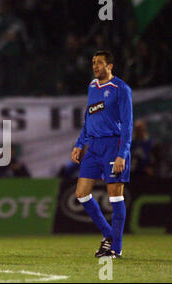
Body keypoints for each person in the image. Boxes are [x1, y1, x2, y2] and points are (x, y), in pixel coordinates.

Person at [71, 50, 133, 259]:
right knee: (81, 193)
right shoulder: (92, 86)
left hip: (113, 146)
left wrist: (122, 154)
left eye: (99, 63)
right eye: (93, 62)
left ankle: (116, 248)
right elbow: (89, 117)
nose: (95, 66)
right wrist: (80, 144)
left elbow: (127, 124)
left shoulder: (121, 89)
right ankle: (109, 235)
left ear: (110, 66)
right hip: (94, 147)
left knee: (115, 196)